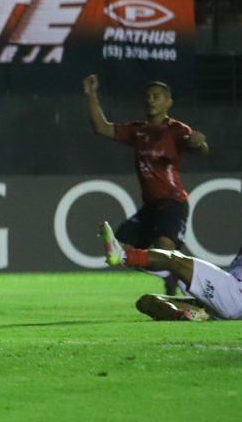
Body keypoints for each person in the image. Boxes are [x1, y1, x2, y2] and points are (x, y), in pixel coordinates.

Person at [83, 74, 209, 294]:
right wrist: (91, 95)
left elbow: (200, 149)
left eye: (156, 96)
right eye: (148, 96)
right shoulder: (138, 131)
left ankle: (183, 283)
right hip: (150, 207)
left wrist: (199, 144)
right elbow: (101, 128)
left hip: (173, 203)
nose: (150, 100)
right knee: (120, 250)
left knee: (163, 251)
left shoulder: (177, 130)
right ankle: (173, 277)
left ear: (168, 102)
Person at [99, 196, 242, 322]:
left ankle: (122, 255)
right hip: (225, 305)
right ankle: (185, 317)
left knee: (174, 259)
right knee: (147, 301)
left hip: (236, 298)